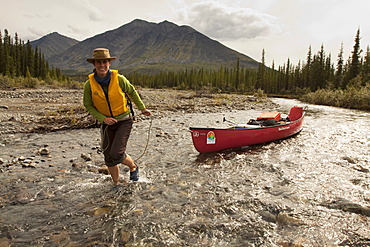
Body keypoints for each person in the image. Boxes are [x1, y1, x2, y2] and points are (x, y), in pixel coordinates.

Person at [83, 48, 151, 185]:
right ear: (94, 64)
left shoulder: (119, 79)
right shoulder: (89, 85)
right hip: (107, 123)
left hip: (124, 120)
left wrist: (142, 108)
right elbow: (88, 105)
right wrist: (103, 119)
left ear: (109, 63)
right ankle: (116, 183)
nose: (102, 65)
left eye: (105, 62)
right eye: (99, 62)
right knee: (108, 156)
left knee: (116, 153)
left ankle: (133, 167)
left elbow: (132, 92)